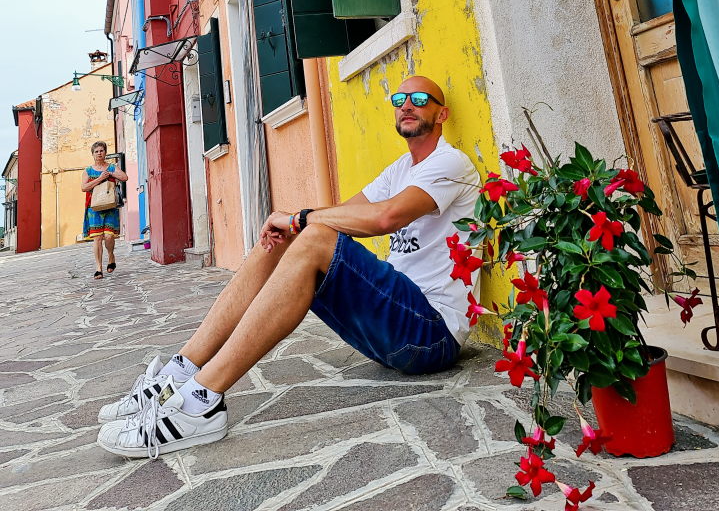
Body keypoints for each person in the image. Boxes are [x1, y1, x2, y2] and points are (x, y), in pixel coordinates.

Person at [97, 75, 480, 458]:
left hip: (431, 333)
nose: (406, 104)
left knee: (308, 232)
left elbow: (384, 218)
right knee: (292, 236)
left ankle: (201, 399)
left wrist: (299, 218)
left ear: (441, 112)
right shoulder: (400, 169)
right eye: (399, 98)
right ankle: (182, 369)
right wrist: (294, 224)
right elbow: (343, 214)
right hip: (396, 332)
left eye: (419, 98)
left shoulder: (450, 163)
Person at [82, 141, 128, 279]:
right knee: (97, 239)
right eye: (96, 151)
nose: (99, 153)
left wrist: (111, 174)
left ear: (105, 152)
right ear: (92, 154)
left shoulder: (111, 168)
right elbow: (83, 188)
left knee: (108, 236)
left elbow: (125, 177)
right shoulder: (88, 170)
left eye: (101, 150)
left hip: (110, 206)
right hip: (94, 208)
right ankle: (98, 268)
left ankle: (111, 256)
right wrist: (100, 178)